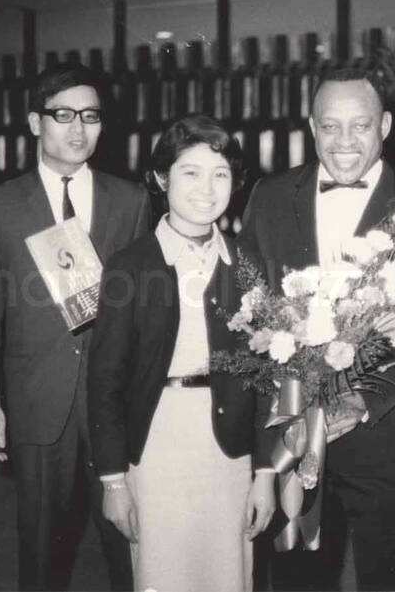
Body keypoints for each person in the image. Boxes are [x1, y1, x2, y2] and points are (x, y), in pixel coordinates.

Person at [236, 67, 395, 591]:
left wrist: (363, 399)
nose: (343, 142)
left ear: (385, 125)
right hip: (290, 429)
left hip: (379, 431)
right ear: (312, 127)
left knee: (385, 577)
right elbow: (249, 303)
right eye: (330, 126)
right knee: (296, 575)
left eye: (359, 126)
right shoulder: (269, 197)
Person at [0, 62, 150, 591]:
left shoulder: (130, 198)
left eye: (90, 116)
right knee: (42, 550)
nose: (77, 128)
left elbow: (143, 306)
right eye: (62, 114)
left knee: (130, 544)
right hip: (36, 398)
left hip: (114, 401)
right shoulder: (1, 205)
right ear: (34, 123)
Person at [87, 114, 276, 592]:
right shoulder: (130, 266)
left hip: (229, 453)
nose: (206, 188)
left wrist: (266, 473)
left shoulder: (248, 265)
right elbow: (105, 382)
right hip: (157, 448)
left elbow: (266, 379)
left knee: (229, 575)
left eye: (220, 174)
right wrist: (113, 481)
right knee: (162, 574)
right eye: (190, 172)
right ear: (160, 178)